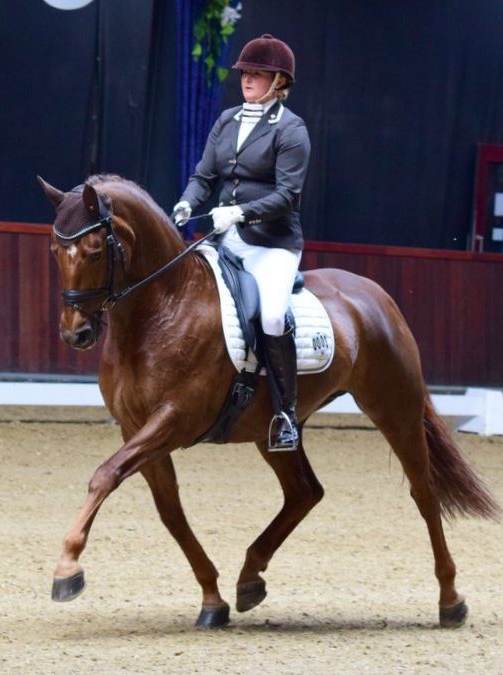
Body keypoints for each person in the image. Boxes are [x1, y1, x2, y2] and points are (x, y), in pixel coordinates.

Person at [172, 33, 310, 451]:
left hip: (272, 244)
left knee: (270, 316)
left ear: (278, 81)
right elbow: (205, 176)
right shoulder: (228, 120)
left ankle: (286, 414)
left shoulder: (292, 130)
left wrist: (242, 212)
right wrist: (185, 202)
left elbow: (288, 195)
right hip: (226, 238)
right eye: (246, 72)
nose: (247, 79)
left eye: (258, 73)